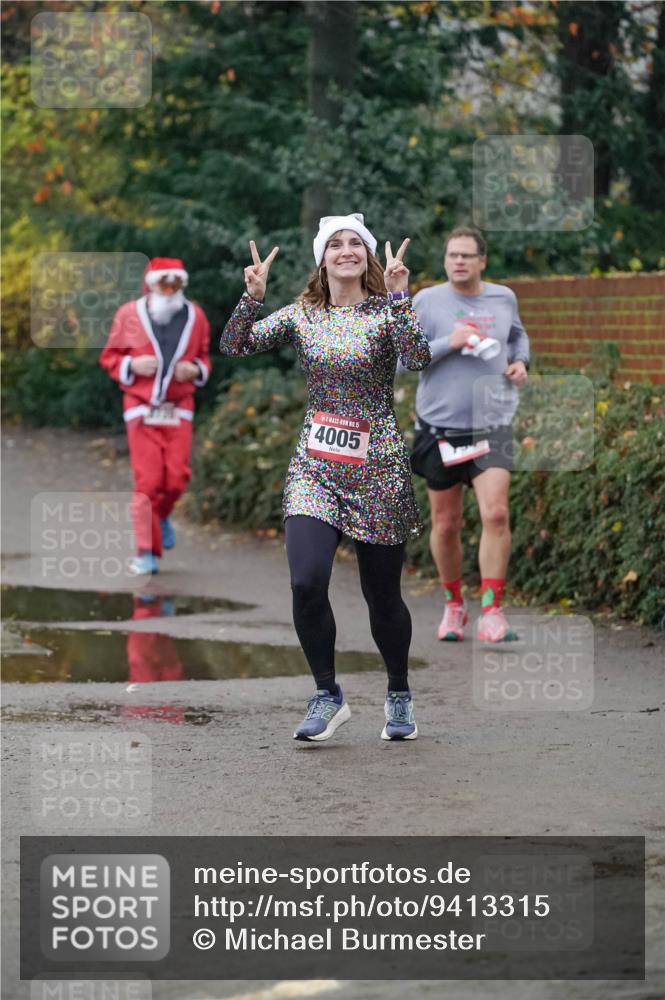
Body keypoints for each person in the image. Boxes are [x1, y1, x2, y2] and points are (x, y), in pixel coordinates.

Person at [219, 214, 431, 742]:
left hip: (377, 467)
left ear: (367, 257)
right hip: (314, 468)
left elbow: (420, 357)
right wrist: (252, 297)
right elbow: (235, 345)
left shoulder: (386, 312)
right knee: (306, 580)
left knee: (382, 597)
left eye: (354, 243)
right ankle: (327, 694)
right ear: (322, 258)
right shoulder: (301, 315)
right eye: (334, 244)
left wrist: (402, 297)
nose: (345, 251)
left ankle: (399, 693)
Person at [406, 225, 530, 643]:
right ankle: (454, 606)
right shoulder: (426, 301)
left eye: (466, 255)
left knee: (496, 513)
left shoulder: (503, 298)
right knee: (446, 523)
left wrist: (521, 363)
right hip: (440, 428)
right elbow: (404, 358)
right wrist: (447, 342)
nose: (458, 261)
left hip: (491, 424)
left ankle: (493, 612)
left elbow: (516, 336)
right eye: (451, 255)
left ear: (482, 261)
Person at [100, 257, 211, 574]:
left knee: (176, 477)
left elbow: (204, 357)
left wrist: (196, 370)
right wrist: (131, 366)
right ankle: (145, 552)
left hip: (179, 408)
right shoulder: (128, 314)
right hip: (141, 408)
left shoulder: (196, 316)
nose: (170, 289)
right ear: (151, 285)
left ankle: (160, 516)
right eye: (164, 283)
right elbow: (109, 357)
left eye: (176, 284)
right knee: (148, 480)